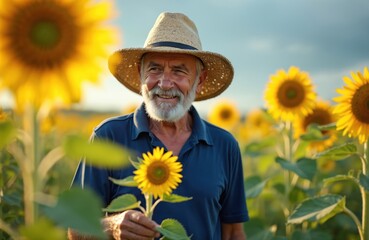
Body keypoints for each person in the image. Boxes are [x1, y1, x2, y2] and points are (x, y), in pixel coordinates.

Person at [68, 12, 249, 240]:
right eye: (154, 69)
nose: (164, 83)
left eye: (179, 71)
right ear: (140, 75)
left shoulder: (224, 145)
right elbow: (75, 228)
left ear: (199, 81)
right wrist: (112, 226)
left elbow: (233, 232)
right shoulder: (109, 136)